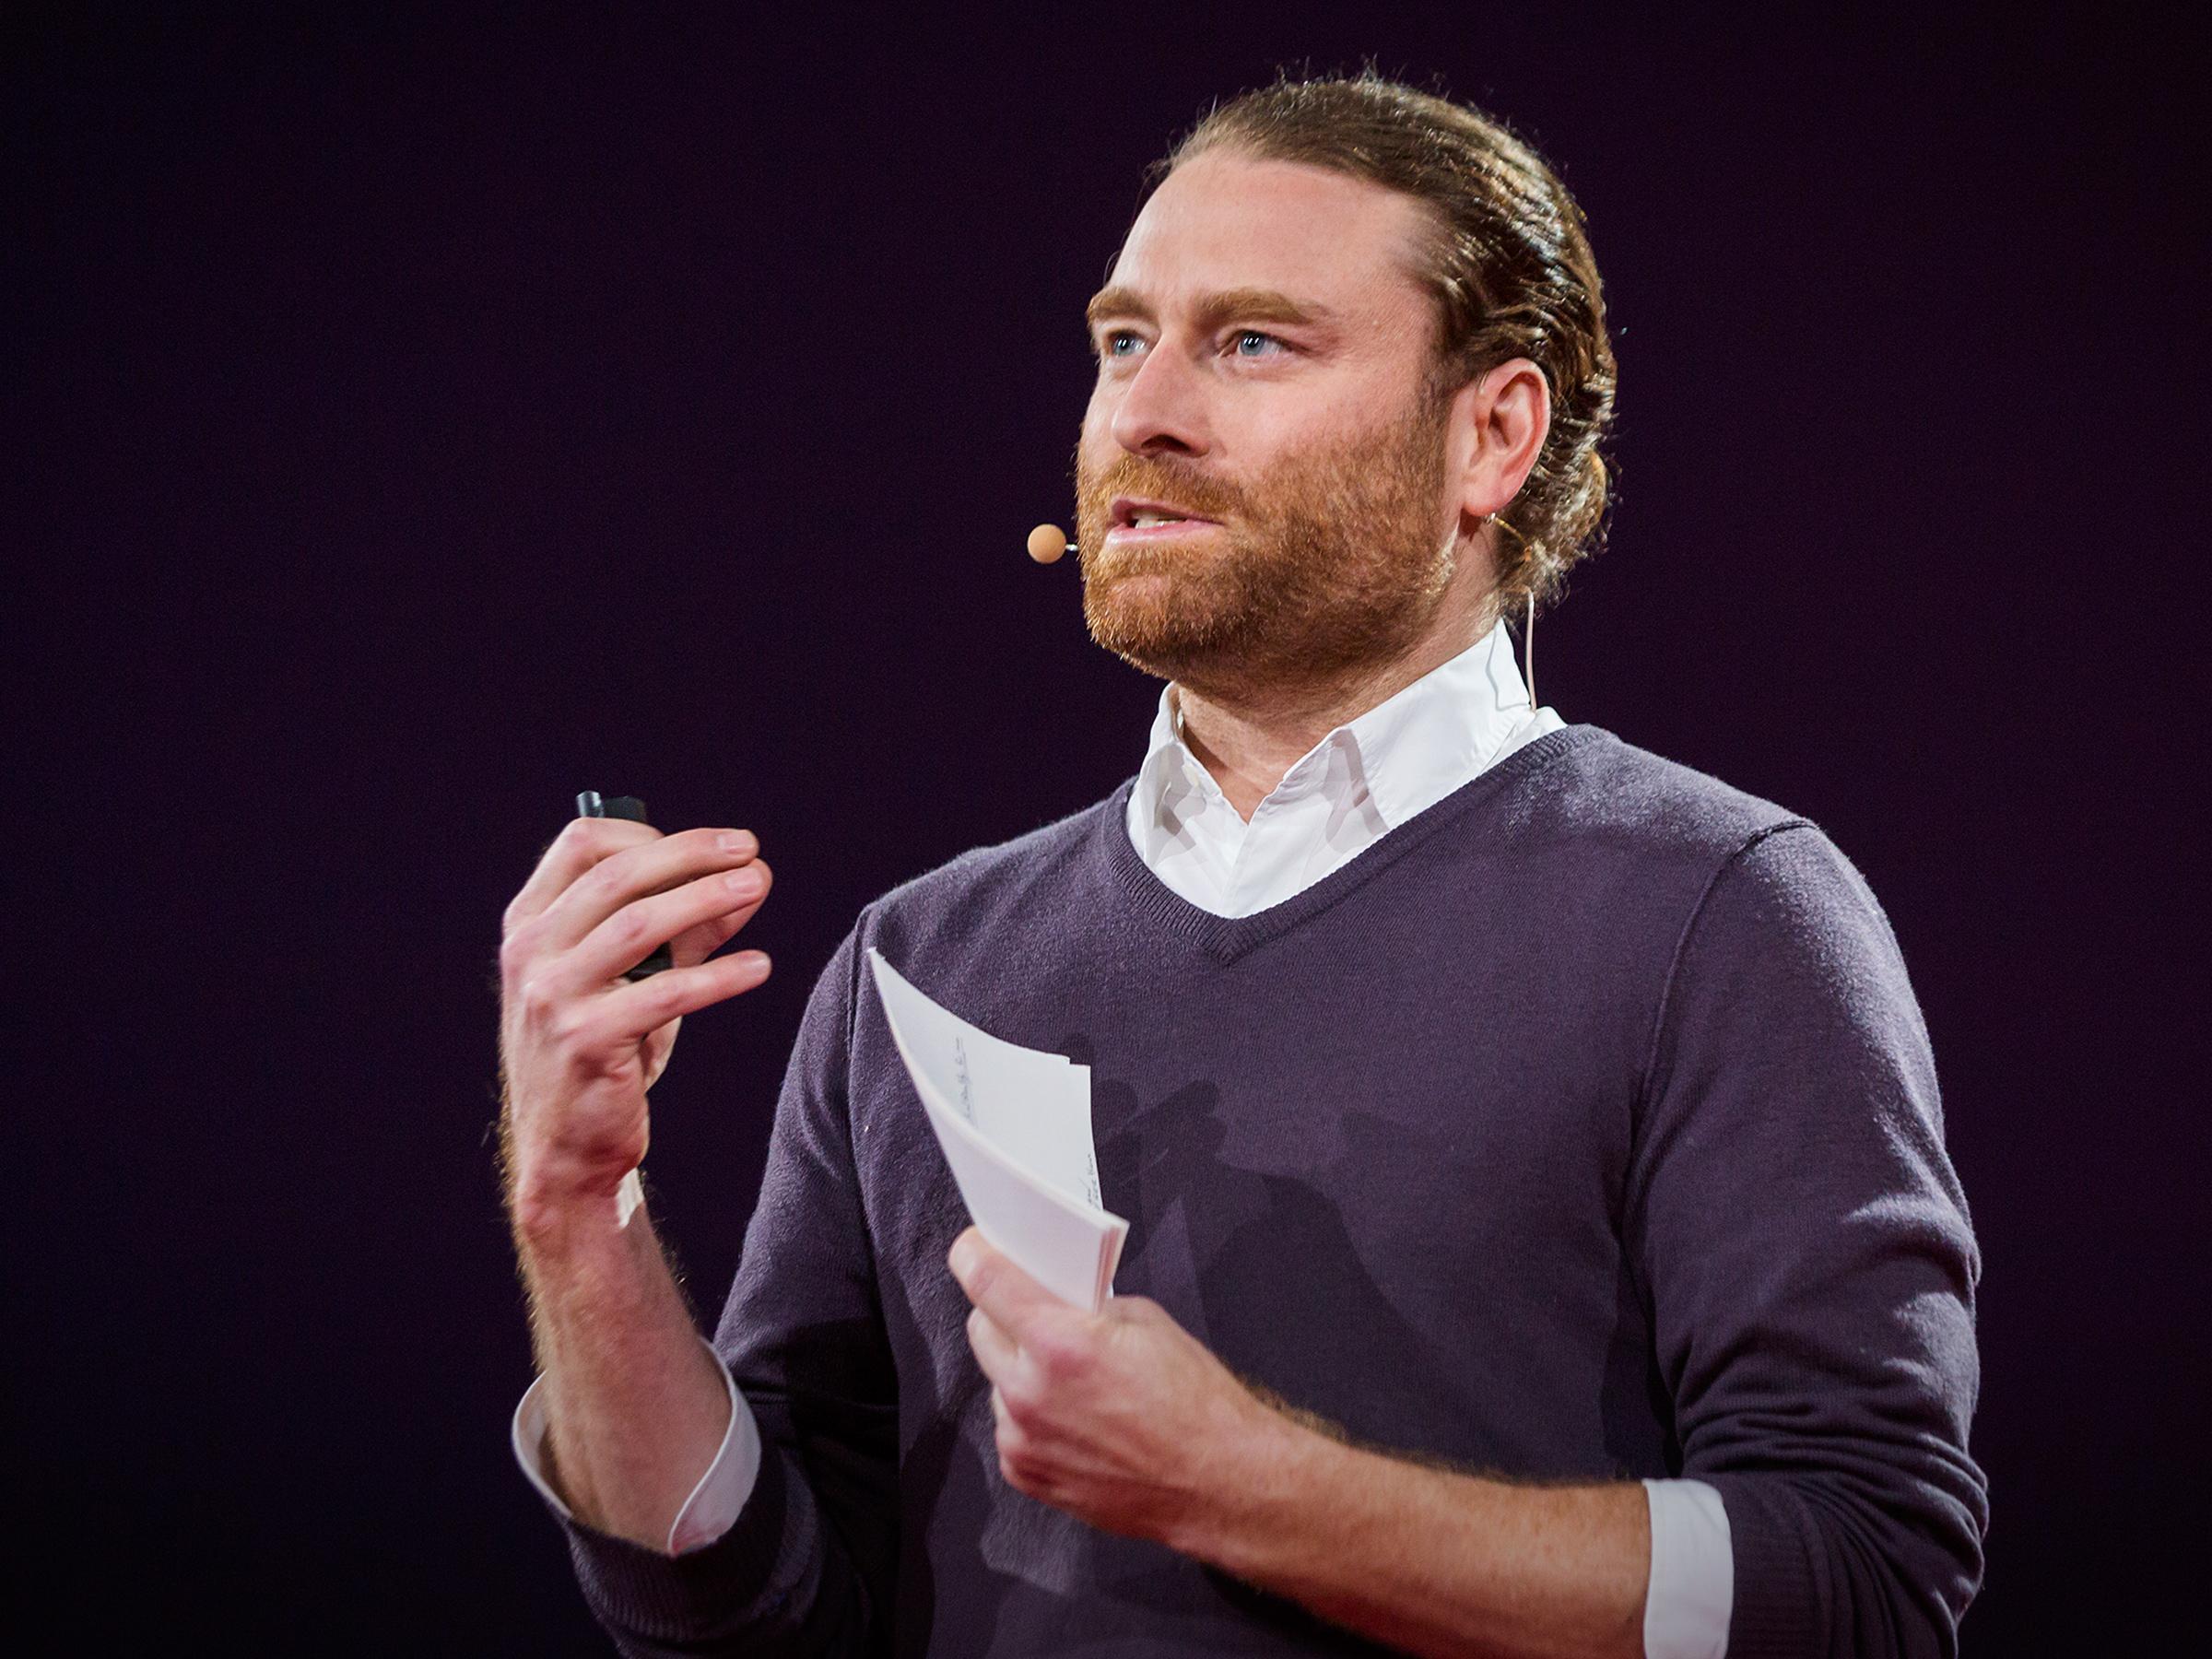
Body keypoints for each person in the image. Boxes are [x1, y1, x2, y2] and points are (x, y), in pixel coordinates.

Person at [497, 74, 1985, 1657]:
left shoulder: (1720, 915)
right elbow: (761, 1619)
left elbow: (1862, 1585)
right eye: (1122, 341)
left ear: (1492, 434)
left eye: (1253, 342)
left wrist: (1252, 1491)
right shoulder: (917, 962)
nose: (1140, 412)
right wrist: (580, 1219)